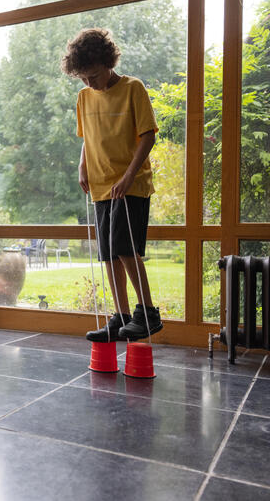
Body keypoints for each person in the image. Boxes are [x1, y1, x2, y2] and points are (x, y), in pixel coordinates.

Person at [60, 27, 163, 342]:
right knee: (107, 253)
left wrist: (129, 175)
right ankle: (120, 317)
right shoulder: (84, 96)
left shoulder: (133, 88)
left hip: (130, 184)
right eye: (81, 78)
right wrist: (82, 165)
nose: (88, 83)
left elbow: (148, 135)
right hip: (101, 185)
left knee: (125, 248)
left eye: (92, 75)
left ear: (108, 63)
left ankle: (148, 313)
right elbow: (87, 137)